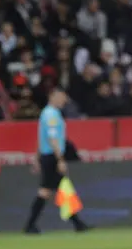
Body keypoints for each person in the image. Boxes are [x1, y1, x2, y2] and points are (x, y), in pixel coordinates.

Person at [23, 88, 89, 234]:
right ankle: (30, 225)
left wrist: (36, 158)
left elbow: (41, 138)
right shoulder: (52, 114)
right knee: (48, 191)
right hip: (52, 156)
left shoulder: (46, 114)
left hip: (48, 156)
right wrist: (60, 159)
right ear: (52, 96)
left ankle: (77, 224)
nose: (63, 101)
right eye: (61, 97)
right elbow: (53, 139)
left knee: (60, 189)